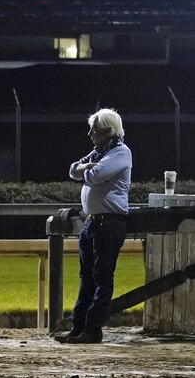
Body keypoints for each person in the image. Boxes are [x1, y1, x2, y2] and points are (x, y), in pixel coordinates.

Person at [57, 108, 132, 344]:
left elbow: (94, 175)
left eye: (94, 129)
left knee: (101, 278)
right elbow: (72, 170)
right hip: (92, 224)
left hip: (109, 223)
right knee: (86, 278)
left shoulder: (120, 153)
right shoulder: (100, 151)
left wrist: (86, 168)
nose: (90, 133)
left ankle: (93, 329)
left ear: (108, 131)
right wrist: (86, 167)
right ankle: (79, 328)